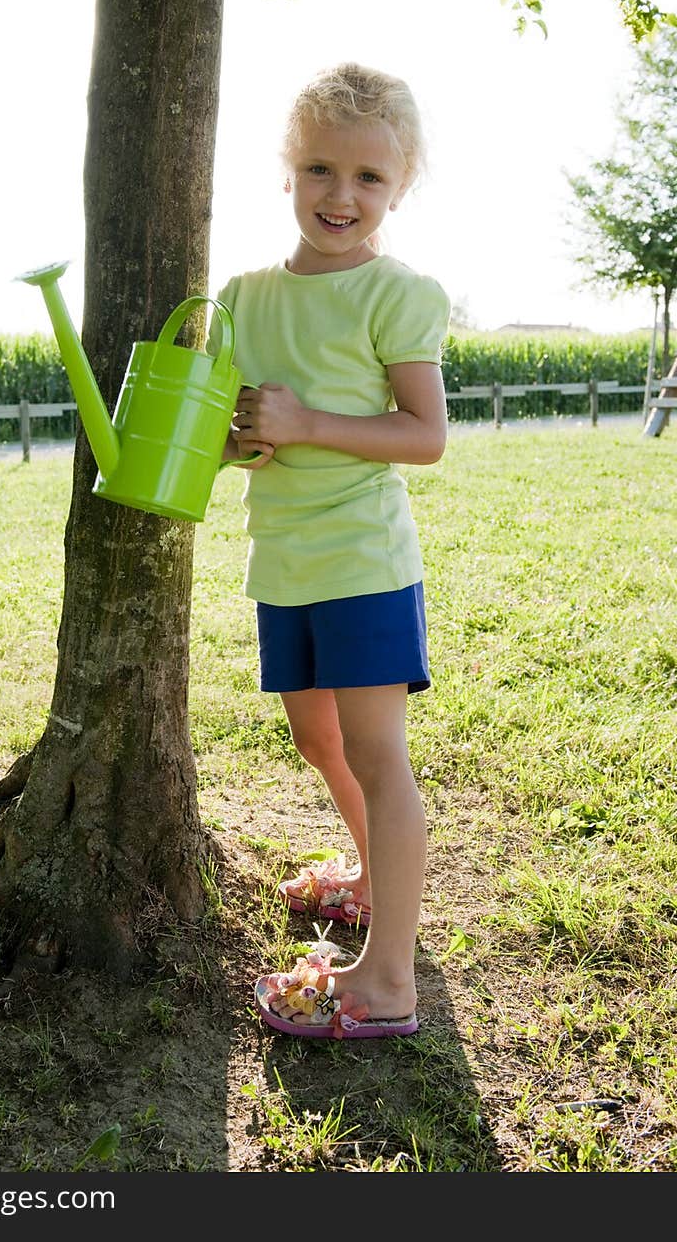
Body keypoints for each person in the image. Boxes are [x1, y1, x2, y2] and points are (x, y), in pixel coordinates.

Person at [213, 61, 451, 1039]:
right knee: (316, 740)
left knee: (375, 752)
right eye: (319, 168)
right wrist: (240, 436)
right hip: (285, 562)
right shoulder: (243, 296)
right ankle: (367, 877)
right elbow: (231, 427)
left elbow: (423, 434)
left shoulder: (397, 293)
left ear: (398, 188)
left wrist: (305, 421)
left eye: (366, 178)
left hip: (361, 564)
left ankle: (385, 979)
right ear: (286, 171)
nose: (339, 196)